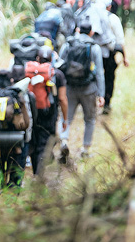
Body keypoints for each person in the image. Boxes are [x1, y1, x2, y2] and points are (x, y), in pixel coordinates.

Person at [58, 17, 105, 159]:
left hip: (69, 88)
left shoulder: (68, 45)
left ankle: (64, 141)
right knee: (90, 119)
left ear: (78, 30)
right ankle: (85, 150)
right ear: (91, 32)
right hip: (88, 89)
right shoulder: (94, 47)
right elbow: (99, 73)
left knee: (66, 117)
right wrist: (101, 94)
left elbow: (60, 65)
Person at [27, 46, 68, 174]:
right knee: (44, 145)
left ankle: (36, 172)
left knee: (35, 142)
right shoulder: (58, 75)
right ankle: (40, 176)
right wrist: (65, 119)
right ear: (51, 59)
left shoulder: (29, 72)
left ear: (37, 59)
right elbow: (62, 99)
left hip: (32, 114)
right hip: (49, 114)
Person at [97, 0, 129, 114]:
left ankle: (96, 101)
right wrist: (125, 57)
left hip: (94, 54)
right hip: (109, 55)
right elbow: (120, 40)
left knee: (96, 77)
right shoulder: (113, 18)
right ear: (109, 6)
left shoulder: (92, 16)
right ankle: (107, 103)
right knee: (109, 77)